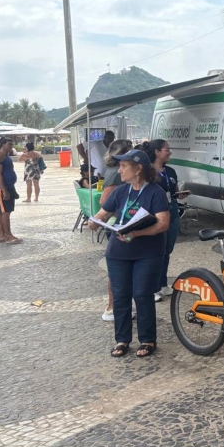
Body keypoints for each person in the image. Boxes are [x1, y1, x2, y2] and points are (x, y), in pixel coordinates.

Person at [88, 149, 170, 358]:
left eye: (124, 166)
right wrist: (95, 221)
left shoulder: (155, 192)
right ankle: (122, 339)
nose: (120, 169)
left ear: (138, 169)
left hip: (147, 252)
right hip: (118, 252)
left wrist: (138, 232)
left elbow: (163, 224)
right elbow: (103, 213)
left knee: (142, 294)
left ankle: (147, 339)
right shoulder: (120, 191)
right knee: (121, 295)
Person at [148, 139, 190, 302]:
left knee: (167, 250)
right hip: (155, 213)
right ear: (157, 152)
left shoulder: (171, 171)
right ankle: (153, 287)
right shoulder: (148, 171)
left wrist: (180, 194)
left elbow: (174, 191)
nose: (170, 152)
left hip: (171, 210)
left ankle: (163, 283)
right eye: (167, 149)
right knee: (155, 250)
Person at [99, 138, 134, 322]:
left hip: (123, 225)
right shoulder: (115, 173)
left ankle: (120, 306)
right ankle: (112, 307)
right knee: (117, 270)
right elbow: (104, 202)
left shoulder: (114, 171)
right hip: (117, 224)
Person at [0, 138, 21, 244]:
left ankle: (1, 234)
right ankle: (8, 235)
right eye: (9, 144)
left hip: (8, 187)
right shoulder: (0, 157)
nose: (11, 146)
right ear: (2, 145)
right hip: (1, 188)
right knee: (5, 212)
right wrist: (4, 190)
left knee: (2, 212)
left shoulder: (6, 157)